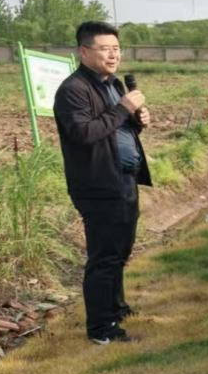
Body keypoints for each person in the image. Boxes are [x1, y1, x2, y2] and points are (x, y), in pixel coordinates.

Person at [54, 21, 153, 345]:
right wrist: (123, 109)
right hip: (98, 185)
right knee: (104, 257)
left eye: (117, 49)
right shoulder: (73, 90)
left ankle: (117, 308)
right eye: (105, 49)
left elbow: (116, 129)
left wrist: (136, 120)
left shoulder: (113, 84)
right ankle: (101, 328)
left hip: (124, 178)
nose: (113, 55)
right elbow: (85, 133)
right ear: (84, 52)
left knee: (120, 251)